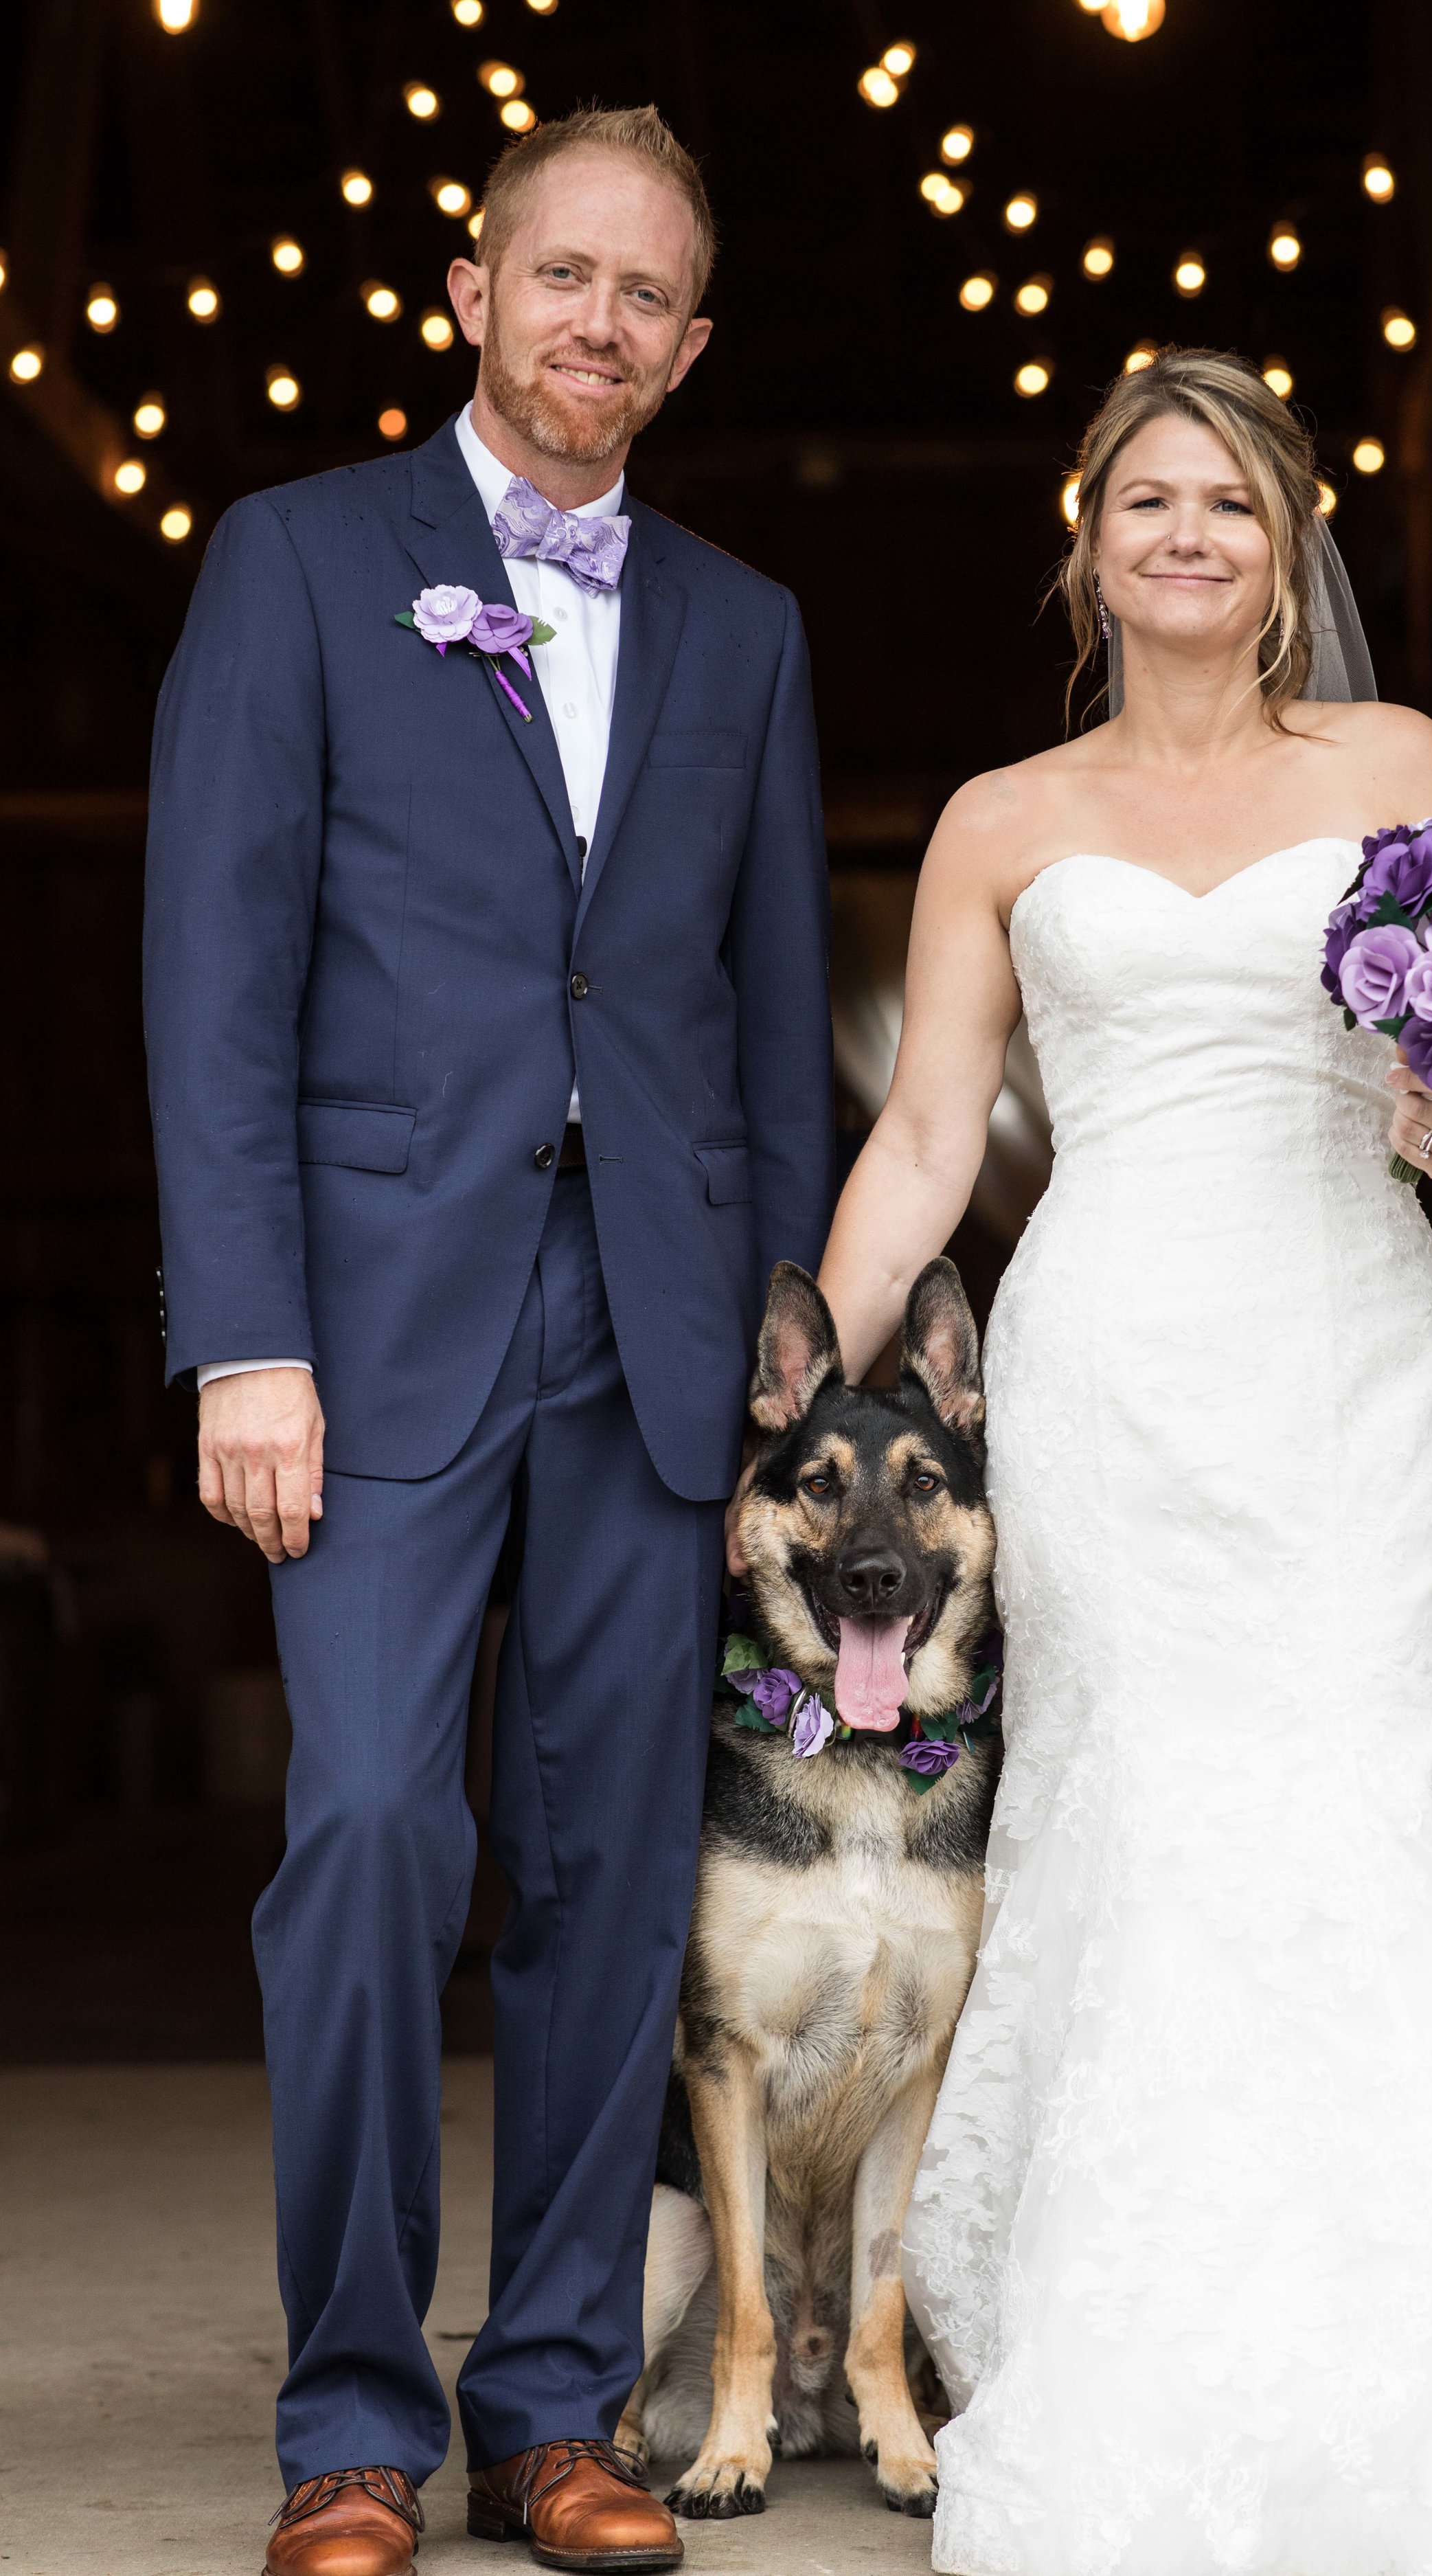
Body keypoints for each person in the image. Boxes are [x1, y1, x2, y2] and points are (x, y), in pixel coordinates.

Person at [815, 348, 1432, 2575]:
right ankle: (1145, 2347)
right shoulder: (1003, 822)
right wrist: (810, 1404)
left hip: (1350, 1358)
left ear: (1293, 536)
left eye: (1232, 501)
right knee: (1148, 1813)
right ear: (1090, 540)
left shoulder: (1397, 762)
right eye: (1149, 501)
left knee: (1371, 1785)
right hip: (1113, 1362)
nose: (1190, 534)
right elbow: (931, 1135)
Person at [144, 108, 832, 2576]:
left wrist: (783, 1305)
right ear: (469, 287)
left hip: (649, 1328)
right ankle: (349, 2417)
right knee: (367, 1833)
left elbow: (763, 1002)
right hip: (369, 1323)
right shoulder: (300, 562)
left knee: (608, 1864)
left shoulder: (744, 623)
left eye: (646, 297)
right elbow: (212, 975)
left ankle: (555, 2400)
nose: (599, 324)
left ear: (691, 346)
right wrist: (244, 1334)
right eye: (561, 274)